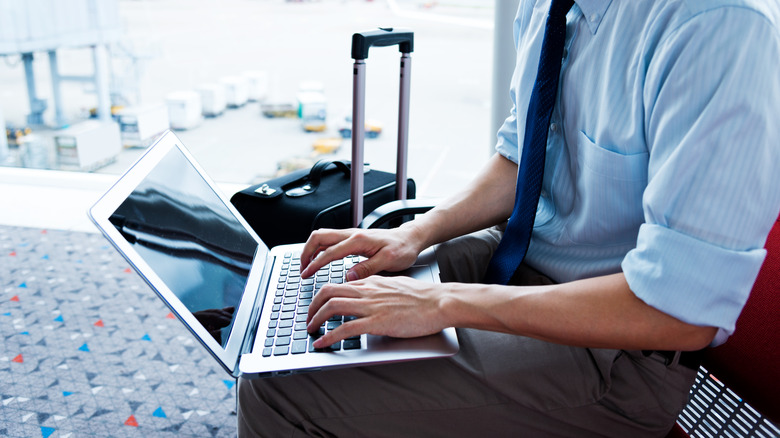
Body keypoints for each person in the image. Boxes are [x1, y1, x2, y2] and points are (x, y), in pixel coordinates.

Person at [237, 0, 780, 436]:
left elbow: (681, 312)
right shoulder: (553, 5)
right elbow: (521, 156)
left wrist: (443, 302)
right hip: (517, 261)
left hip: (616, 351)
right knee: (322, 294)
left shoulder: (718, 27)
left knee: (280, 390)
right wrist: (414, 233)